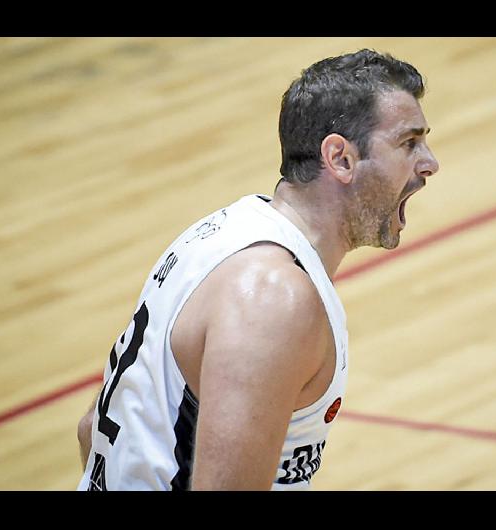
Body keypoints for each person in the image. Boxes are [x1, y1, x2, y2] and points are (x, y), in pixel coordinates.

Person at [76, 48, 440, 491]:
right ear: (340, 158)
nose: (429, 163)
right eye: (408, 143)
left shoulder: (219, 235)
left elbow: (92, 424)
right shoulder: (273, 299)